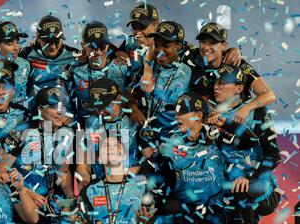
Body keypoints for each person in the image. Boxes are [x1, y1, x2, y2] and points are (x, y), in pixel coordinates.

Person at [206, 64, 292, 224]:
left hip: (261, 187)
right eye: (216, 82)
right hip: (227, 190)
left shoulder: (255, 111)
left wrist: (250, 177)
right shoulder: (210, 113)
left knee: (242, 191)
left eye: (223, 83)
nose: (217, 87)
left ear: (238, 88)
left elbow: (273, 154)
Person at [146, 93, 227, 224]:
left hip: (210, 213)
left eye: (182, 112)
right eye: (175, 112)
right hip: (182, 213)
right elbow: (151, 167)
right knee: (169, 207)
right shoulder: (170, 143)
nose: (176, 117)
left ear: (198, 115)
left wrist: (228, 124)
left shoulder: (219, 138)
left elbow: (250, 145)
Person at [1, 85, 75, 224]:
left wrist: (71, 199)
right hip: (19, 201)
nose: (61, 113)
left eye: (63, 108)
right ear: (40, 109)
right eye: (54, 108)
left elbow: (63, 172)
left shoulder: (66, 135)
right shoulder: (22, 131)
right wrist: (26, 191)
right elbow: (0, 170)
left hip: (46, 203)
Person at [183, 22, 276, 123]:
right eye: (203, 42)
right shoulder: (191, 56)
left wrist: (245, 108)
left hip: (235, 121)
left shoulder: (237, 63)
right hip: (208, 122)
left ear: (224, 45)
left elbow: (269, 95)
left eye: (212, 43)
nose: (206, 47)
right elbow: (171, 39)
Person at [137, 21, 191, 159]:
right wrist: (133, 108)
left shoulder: (190, 72)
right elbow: (130, 93)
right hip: (147, 137)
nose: (160, 50)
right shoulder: (147, 66)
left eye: (166, 45)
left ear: (179, 46)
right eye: (157, 45)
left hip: (176, 141)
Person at [75, 79, 141, 190]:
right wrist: (84, 178)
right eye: (97, 107)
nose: (100, 112)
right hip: (98, 189)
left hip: (130, 187)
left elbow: (147, 162)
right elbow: (84, 159)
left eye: (105, 106)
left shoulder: (135, 122)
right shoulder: (90, 123)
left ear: (118, 100)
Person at [64, 21, 129, 123]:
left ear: (108, 46)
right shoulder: (74, 73)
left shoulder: (123, 68)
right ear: (83, 46)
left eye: (102, 47)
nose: (98, 52)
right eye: (92, 47)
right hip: (86, 130)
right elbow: (65, 103)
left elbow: (135, 94)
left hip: (118, 128)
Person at [19, 15, 79, 113]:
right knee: (44, 128)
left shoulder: (74, 55)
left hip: (66, 114)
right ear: (38, 38)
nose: (53, 46)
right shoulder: (26, 54)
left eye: (56, 41)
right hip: (37, 114)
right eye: (47, 41)